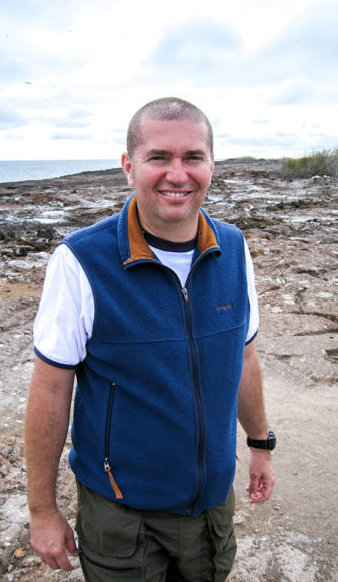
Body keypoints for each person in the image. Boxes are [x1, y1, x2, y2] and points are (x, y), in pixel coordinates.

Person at [25, 97, 275, 581]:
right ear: (128, 166)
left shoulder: (235, 248)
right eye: (159, 157)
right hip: (122, 513)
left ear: (211, 164)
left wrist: (260, 444)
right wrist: (42, 510)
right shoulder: (81, 261)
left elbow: (243, 358)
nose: (177, 174)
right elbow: (51, 389)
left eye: (192, 157)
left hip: (210, 505)